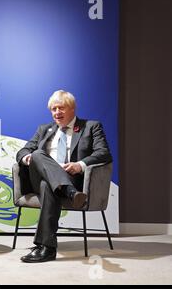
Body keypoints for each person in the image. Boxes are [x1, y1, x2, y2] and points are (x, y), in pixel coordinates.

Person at [16, 90, 112, 263]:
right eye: (53, 109)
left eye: (61, 108)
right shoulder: (44, 129)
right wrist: (26, 157)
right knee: (37, 154)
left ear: (72, 109)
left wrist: (80, 165)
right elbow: (23, 150)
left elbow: (103, 153)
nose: (57, 113)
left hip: (71, 179)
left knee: (48, 186)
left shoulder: (90, 127)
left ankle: (47, 248)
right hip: (45, 180)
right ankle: (70, 193)